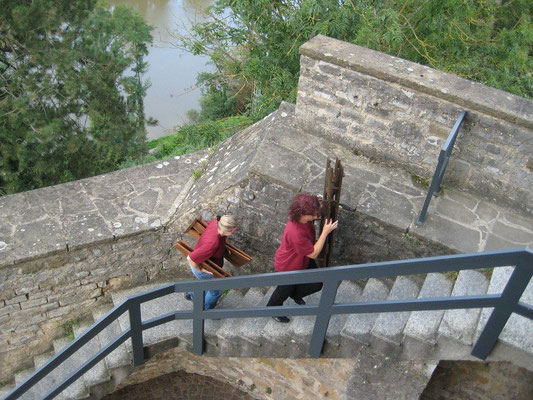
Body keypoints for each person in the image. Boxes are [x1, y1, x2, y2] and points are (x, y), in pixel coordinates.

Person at [267, 193, 338, 323]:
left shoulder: (303, 219)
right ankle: (272, 309)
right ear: (302, 214)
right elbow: (313, 254)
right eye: (313, 214)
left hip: (302, 258)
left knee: (317, 283)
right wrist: (325, 232)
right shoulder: (296, 232)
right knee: (282, 292)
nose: (316, 216)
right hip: (288, 266)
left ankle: (295, 294)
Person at [185, 215, 238, 309]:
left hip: (205, 261)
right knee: (216, 291)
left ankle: (192, 295)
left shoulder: (215, 223)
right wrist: (200, 269)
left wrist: (223, 248)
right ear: (227, 231)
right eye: (234, 230)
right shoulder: (212, 244)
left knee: (203, 283)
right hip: (203, 267)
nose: (236, 230)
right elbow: (190, 258)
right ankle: (206, 309)